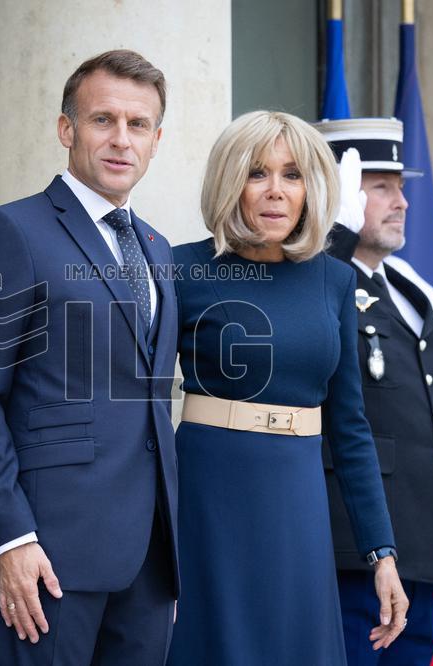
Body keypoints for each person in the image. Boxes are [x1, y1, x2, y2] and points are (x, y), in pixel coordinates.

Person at [0, 50, 179, 665]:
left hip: (149, 561)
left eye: (138, 125)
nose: (120, 139)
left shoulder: (156, 247)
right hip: (48, 555)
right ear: (66, 129)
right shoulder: (9, 232)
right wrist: (10, 538)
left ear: (157, 141)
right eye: (103, 119)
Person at [166, 111, 408, 666]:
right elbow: (137, 408)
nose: (276, 192)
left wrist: (382, 554)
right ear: (231, 182)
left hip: (299, 503)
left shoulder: (335, 279)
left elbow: (350, 429)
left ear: (310, 189)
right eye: (257, 173)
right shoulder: (180, 269)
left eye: (292, 175)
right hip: (208, 497)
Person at [315, 117, 433, 665]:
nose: (400, 201)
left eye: (400, 187)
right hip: (353, 550)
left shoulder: (405, 292)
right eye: (380, 186)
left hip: (417, 547)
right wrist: (334, 238)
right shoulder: (319, 277)